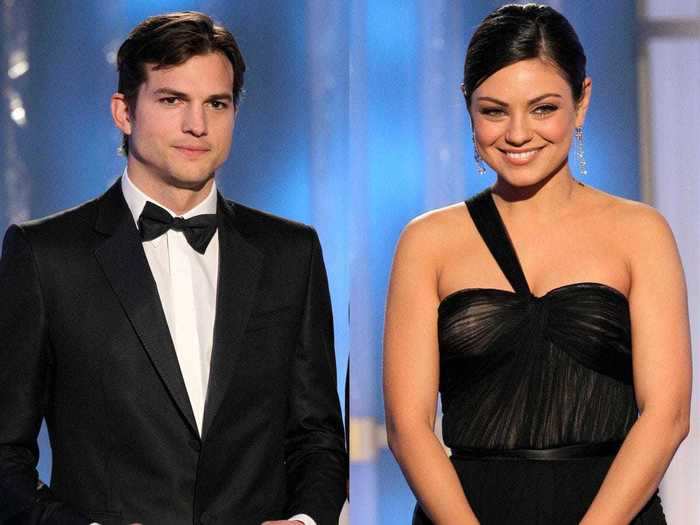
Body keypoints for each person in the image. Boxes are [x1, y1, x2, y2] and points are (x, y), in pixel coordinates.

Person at [0, 12, 346, 525]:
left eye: (216, 103)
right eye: (172, 100)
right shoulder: (47, 255)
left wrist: (305, 521)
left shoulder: (290, 253)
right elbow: (5, 454)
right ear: (123, 111)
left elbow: (318, 436)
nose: (197, 125)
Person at [383, 4, 691, 524]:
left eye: (543, 108)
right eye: (494, 110)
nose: (519, 133)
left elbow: (668, 415)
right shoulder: (427, 242)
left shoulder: (640, 233)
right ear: (469, 109)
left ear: (582, 101)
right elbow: (407, 427)